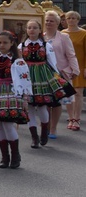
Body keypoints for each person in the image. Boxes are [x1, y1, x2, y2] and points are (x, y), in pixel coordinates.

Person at [0, 31, 31, 169]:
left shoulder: (17, 61)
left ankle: (15, 155)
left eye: (5, 43)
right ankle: (4, 156)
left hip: (10, 92)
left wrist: (25, 98)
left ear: (12, 43)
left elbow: (25, 80)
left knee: (8, 124)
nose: (2, 45)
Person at [20, 18, 67, 149]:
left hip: (42, 77)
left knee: (41, 106)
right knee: (29, 107)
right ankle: (34, 137)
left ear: (40, 30)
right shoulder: (21, 46)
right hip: (27, 77)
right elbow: (18, 63)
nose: (32, 30)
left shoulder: (46, 45)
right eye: (29, 27)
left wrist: (57, 78)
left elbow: (52, 63)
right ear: (26, 30)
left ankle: (44, 132)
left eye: (35, 27)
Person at [43, 10, 79, 138]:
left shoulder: (63, 37)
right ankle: (45, 127)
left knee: (56, 102)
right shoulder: (41, 37)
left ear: (57, 23)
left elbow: (71, 55)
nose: (48, 23)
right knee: (46, 102)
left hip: (59, 74)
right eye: (47, 20)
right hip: (44, 75)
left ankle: (53, 129)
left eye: (51, 21)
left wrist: (74, 71)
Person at [62, 11, 86, 131]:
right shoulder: (61, 34)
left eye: (73, 18)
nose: (71, 20)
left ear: (78, 20)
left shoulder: (84, 34)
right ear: (65, 20)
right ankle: (71, 117)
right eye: (68, 18)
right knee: (68, 93)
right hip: (66, 67)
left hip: (80, 66)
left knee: (78, 93)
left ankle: (77, 118)